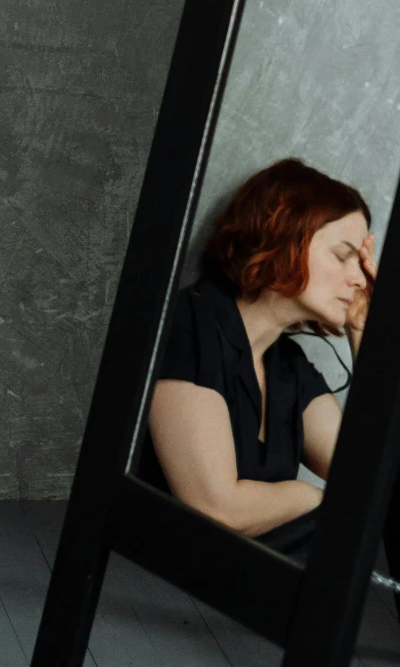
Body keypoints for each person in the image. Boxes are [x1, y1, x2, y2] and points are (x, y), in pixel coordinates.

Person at [142, 157, 377, 554]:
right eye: (341, 256)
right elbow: (217, 508)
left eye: (360, 262)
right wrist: (313, 500)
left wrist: (364, 334)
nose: (358, 278)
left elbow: (365, 481)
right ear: (283, 237)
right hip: (149, 580)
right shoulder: (191, 324)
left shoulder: (289, 367)